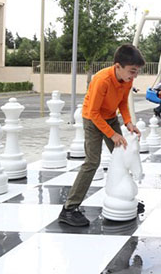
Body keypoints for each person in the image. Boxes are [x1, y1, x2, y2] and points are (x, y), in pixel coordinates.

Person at [58, 44, 144, 226]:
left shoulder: (127, 80)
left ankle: (124, 198)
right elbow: (94, 113)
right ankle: (69, 209)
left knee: (123, 155)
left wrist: (128, 122)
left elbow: (123, 103)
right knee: (92, 162)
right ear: (118, 66)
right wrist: (112, 135)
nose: (135, 76)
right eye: (132, 71)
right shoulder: (102, 80)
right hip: (92, 120)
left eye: (137, 72)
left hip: (110, 118)